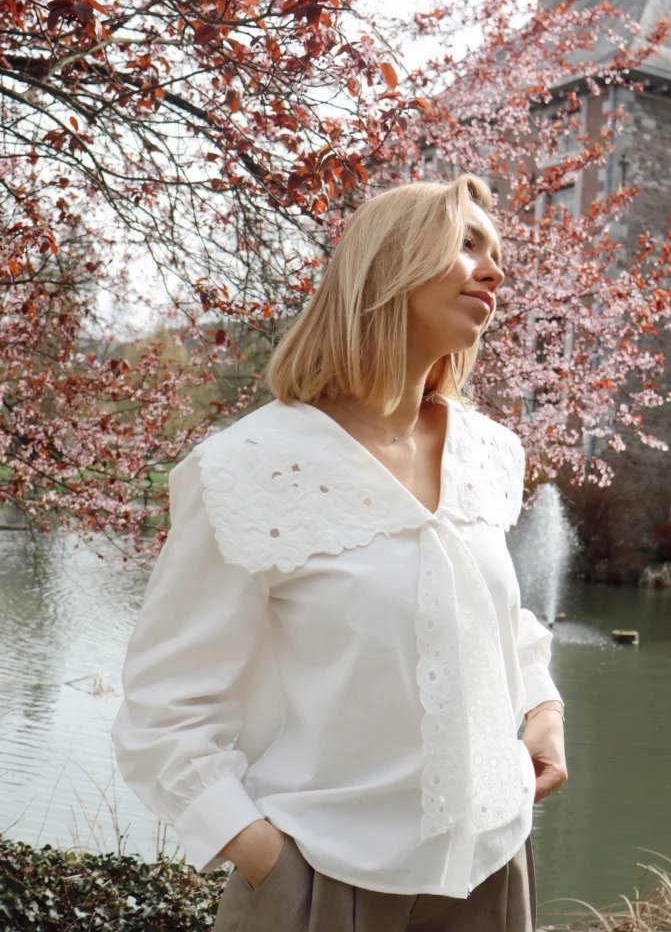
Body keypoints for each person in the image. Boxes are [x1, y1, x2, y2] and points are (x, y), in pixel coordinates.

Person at [111, 173, 568, 932]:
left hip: (492, 864)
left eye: (496, 253)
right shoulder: (245, 467)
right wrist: (266, 856)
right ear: (387, 263)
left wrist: (543, 709)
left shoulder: (491, 453)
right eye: (466, 244)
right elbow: (165, 708)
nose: (494, 271)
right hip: (323, 877)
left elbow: (494, 618)